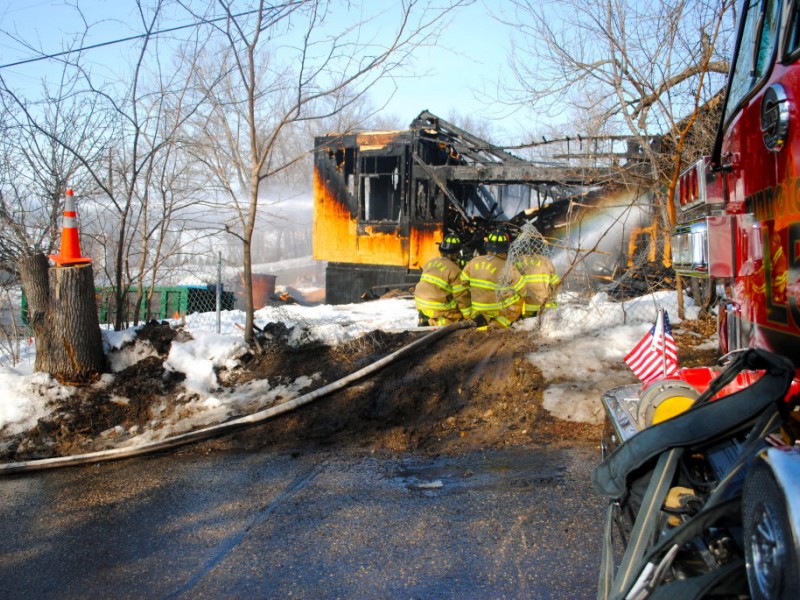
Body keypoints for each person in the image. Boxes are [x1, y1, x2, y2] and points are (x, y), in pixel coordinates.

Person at [460, 229, 524, 328]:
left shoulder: (473, 262)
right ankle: (501, 323)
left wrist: (467, 314)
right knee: (519, 297)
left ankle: (481, 322)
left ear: (487, 246)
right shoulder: (508, 267)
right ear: (506, 249)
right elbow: (522, 289)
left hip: (476, 311)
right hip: (497, 312)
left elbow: (462, 288)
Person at [414, 234, 471, 326]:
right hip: (437, 308)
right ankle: (435, 323)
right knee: (458, 315)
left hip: (420, 304)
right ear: (456, 254)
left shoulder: (430, 262)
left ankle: (425, 321)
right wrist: (469, 317)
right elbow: (462, 297)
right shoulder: (455, 270)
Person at [515, 252, 560, 318]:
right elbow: (557, 283)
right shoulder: (545, 261)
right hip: (545, 308)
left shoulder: (516, 261)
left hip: (524, 310)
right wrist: (552, 298)